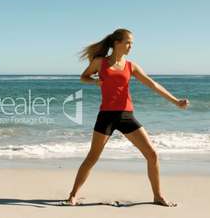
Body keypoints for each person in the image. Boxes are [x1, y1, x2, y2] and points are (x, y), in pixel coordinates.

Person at [65, 29, 189, 206]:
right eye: (128, 42)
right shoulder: (100, 62)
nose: (131, 46)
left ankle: (158, 196)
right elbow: (83, 77)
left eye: (132, 43)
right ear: (117, 43)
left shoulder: (131, 66)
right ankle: (73, 195)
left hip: (126, 115)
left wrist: (176, 101)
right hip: (106, 116)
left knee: (152, 155)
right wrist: (96, 81)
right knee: (92, 157)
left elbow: (152, 84)